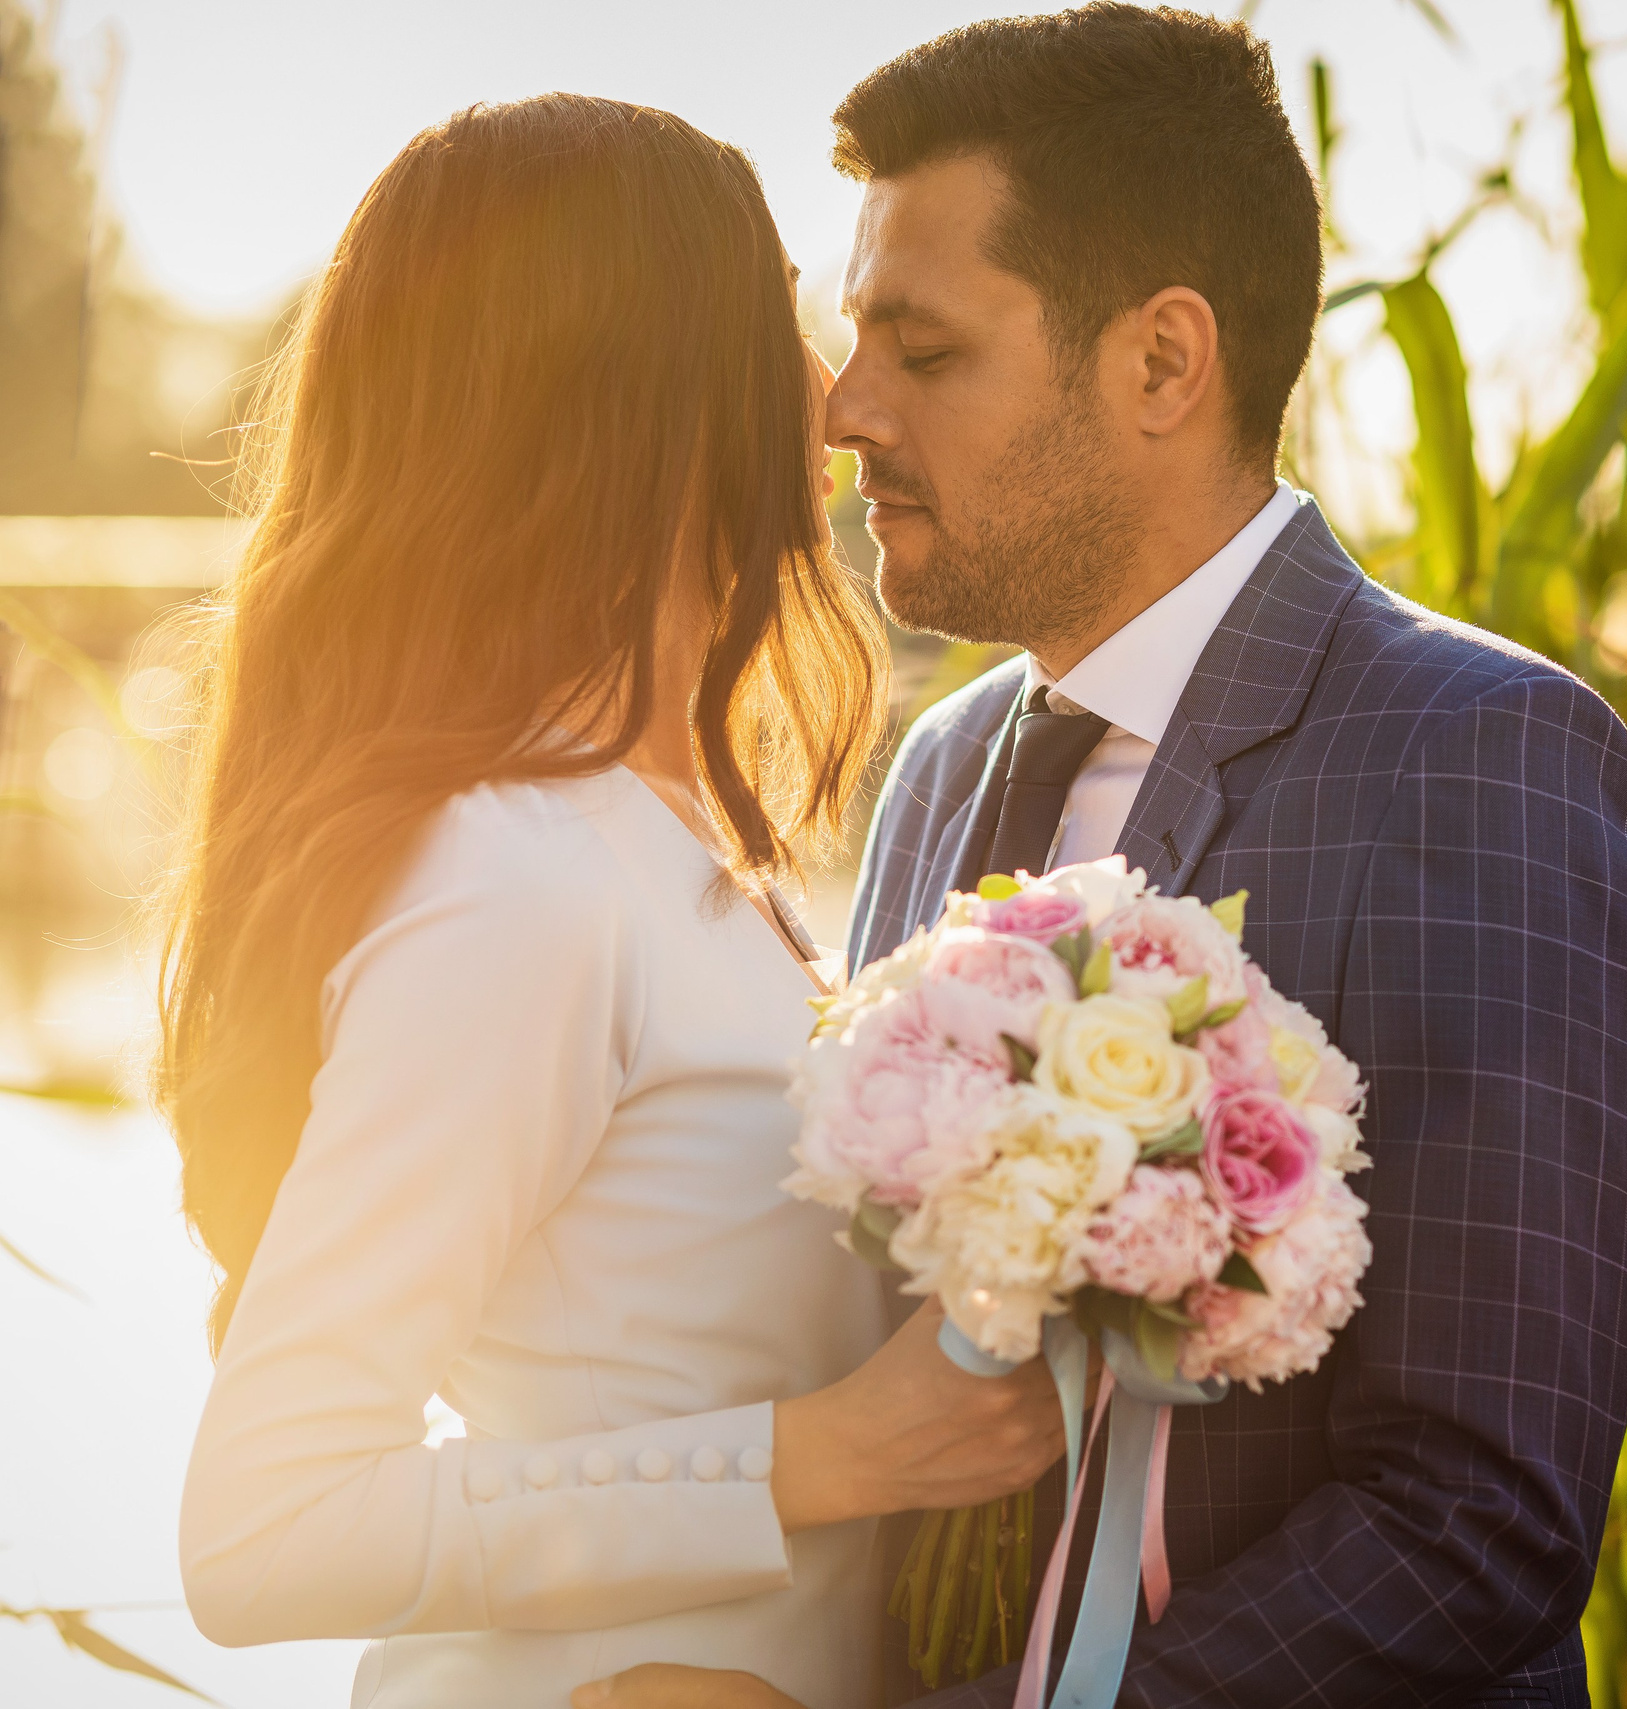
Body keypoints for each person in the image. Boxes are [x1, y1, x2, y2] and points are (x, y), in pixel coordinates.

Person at [578, 8, 1627, 1707]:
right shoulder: (940, 772)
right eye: (849, 340)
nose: (844, 411)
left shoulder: (1485, 758)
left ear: (1163, 363)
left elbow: (1477, 1520)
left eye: (923, 348)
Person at [166, 94, 1066, 1709]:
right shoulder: (516, 879)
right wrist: (816, 1458)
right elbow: (264, 1528)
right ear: (648, 385)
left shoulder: (709, 848)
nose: (843, 388)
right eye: (792, 315)